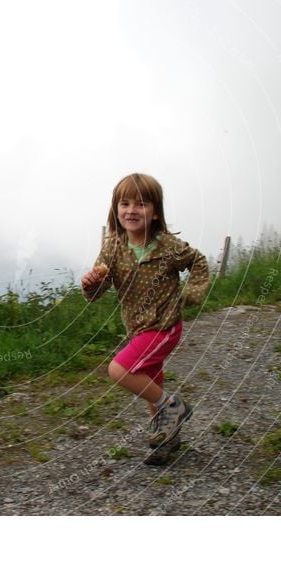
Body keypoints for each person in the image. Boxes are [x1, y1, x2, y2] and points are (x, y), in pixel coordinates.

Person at [81, 173, 209, 465]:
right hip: (137, 329)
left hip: (164, 326)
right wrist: (90, 284)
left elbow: (198, 261)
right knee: (150, 381)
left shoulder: (167, 246)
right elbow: (99, 287)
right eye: (124, 203)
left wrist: (193, 293)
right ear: (116, 210)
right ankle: (167, 436)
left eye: (141, 204)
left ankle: (173, 406)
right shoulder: (113, 247)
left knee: (119, 370)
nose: (131, 210)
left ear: (154, 213)